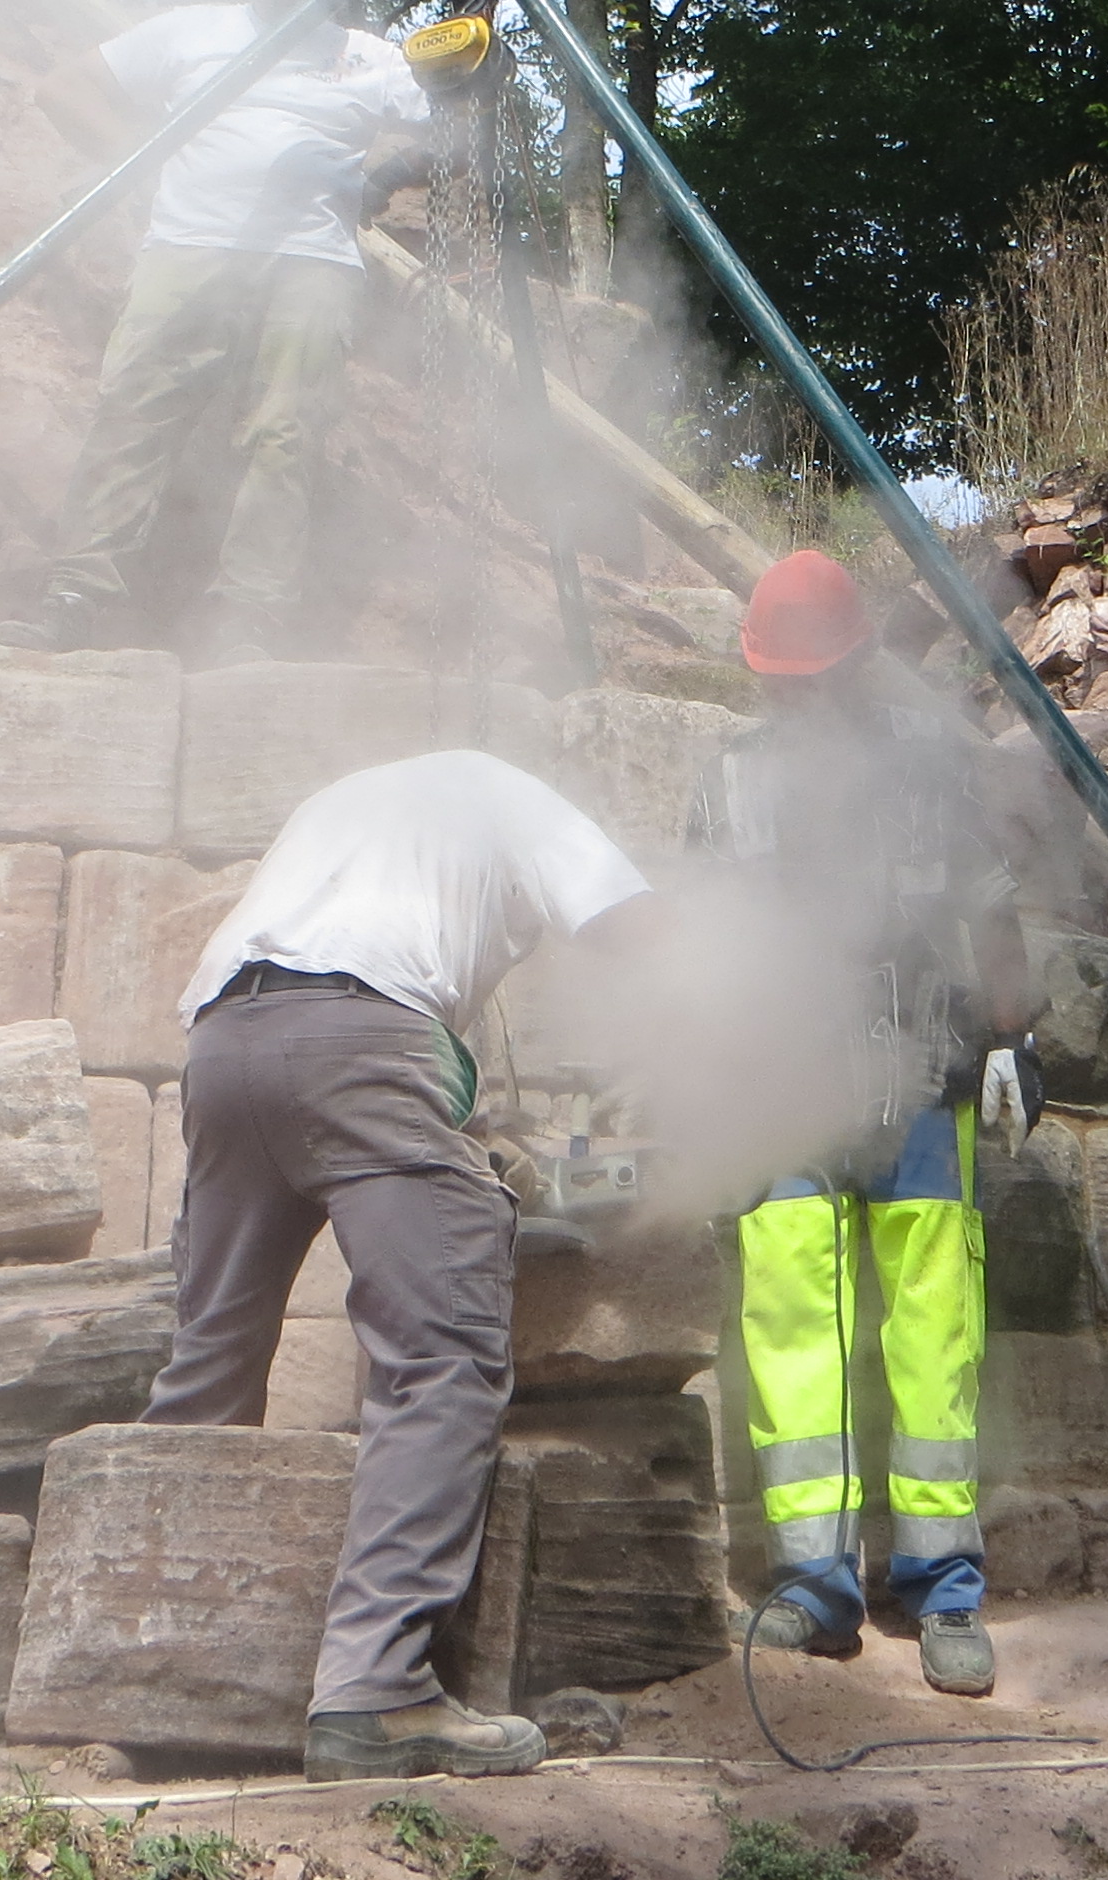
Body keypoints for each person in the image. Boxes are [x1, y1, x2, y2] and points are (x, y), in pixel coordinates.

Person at [141, 745, 662, 1781]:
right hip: (366, 1040)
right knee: (440, 1360)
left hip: (224, 1044)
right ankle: (377, 1693)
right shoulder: (510, 790)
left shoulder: (348, 803)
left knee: (212, 1355)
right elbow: (641, 931)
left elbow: (336, 1009)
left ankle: (146, 1670)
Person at [702, 549, 1039, 1697]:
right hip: (784, 1098)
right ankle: (815, 1587)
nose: (799, 696)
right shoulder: (728, 780)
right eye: (781, 680)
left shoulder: (924, 769)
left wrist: (1012, 1039)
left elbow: (990, 908)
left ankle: (943, 1587)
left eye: (816, 677)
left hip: (919, 1085)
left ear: (853, 666)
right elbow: (696, 939)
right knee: (791, 1329)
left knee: (934, 1339)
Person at [7, 0, 426, 663]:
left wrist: (389, 176)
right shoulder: (187, 32)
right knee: (134, 408)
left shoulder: (368, 59)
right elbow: (66, 89)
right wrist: (138, 166)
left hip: (311, 262)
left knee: (285, 435)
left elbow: (458, 124)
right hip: (189, 245)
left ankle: (249, 624)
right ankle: (75, 598)